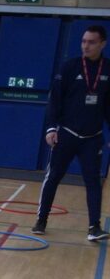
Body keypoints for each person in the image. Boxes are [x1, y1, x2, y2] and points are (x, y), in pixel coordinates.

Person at [32, 25, 110, 242]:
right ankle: (41, 220)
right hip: (66, 134)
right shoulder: (70, 67)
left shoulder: (108, 69)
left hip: (92, 138)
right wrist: (51, 128)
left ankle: (94, 227)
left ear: (102, 44)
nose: (86, 45)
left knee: (94, 182)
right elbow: (55, 100)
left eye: (91, 42)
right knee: (53, 176)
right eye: (84, 41)